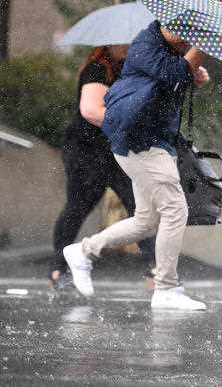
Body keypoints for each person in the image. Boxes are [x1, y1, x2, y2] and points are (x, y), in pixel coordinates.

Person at [63, 20, 210, 311]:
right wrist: (197, 54)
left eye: (191, 35)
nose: (186, 39)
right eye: (183, 33)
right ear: (165, 27)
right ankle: (166, 288)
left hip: (154, 140)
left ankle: (83, 251)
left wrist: (194, 76)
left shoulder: (164, 51)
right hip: (141, 142)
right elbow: (174, 73)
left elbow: (168, 84)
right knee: (175, 210)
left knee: (146, 221)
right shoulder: (145, 45)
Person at [50, 45, 155, 289]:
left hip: (118, 151)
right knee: (78, 207)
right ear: (108, 44)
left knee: (141, 208)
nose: (129, 46)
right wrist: (130, 122)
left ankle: (156, 268)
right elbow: (90, 111)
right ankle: (57, 267)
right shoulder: (97, 69)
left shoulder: (132, 71)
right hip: (87, 150)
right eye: (122, 42)